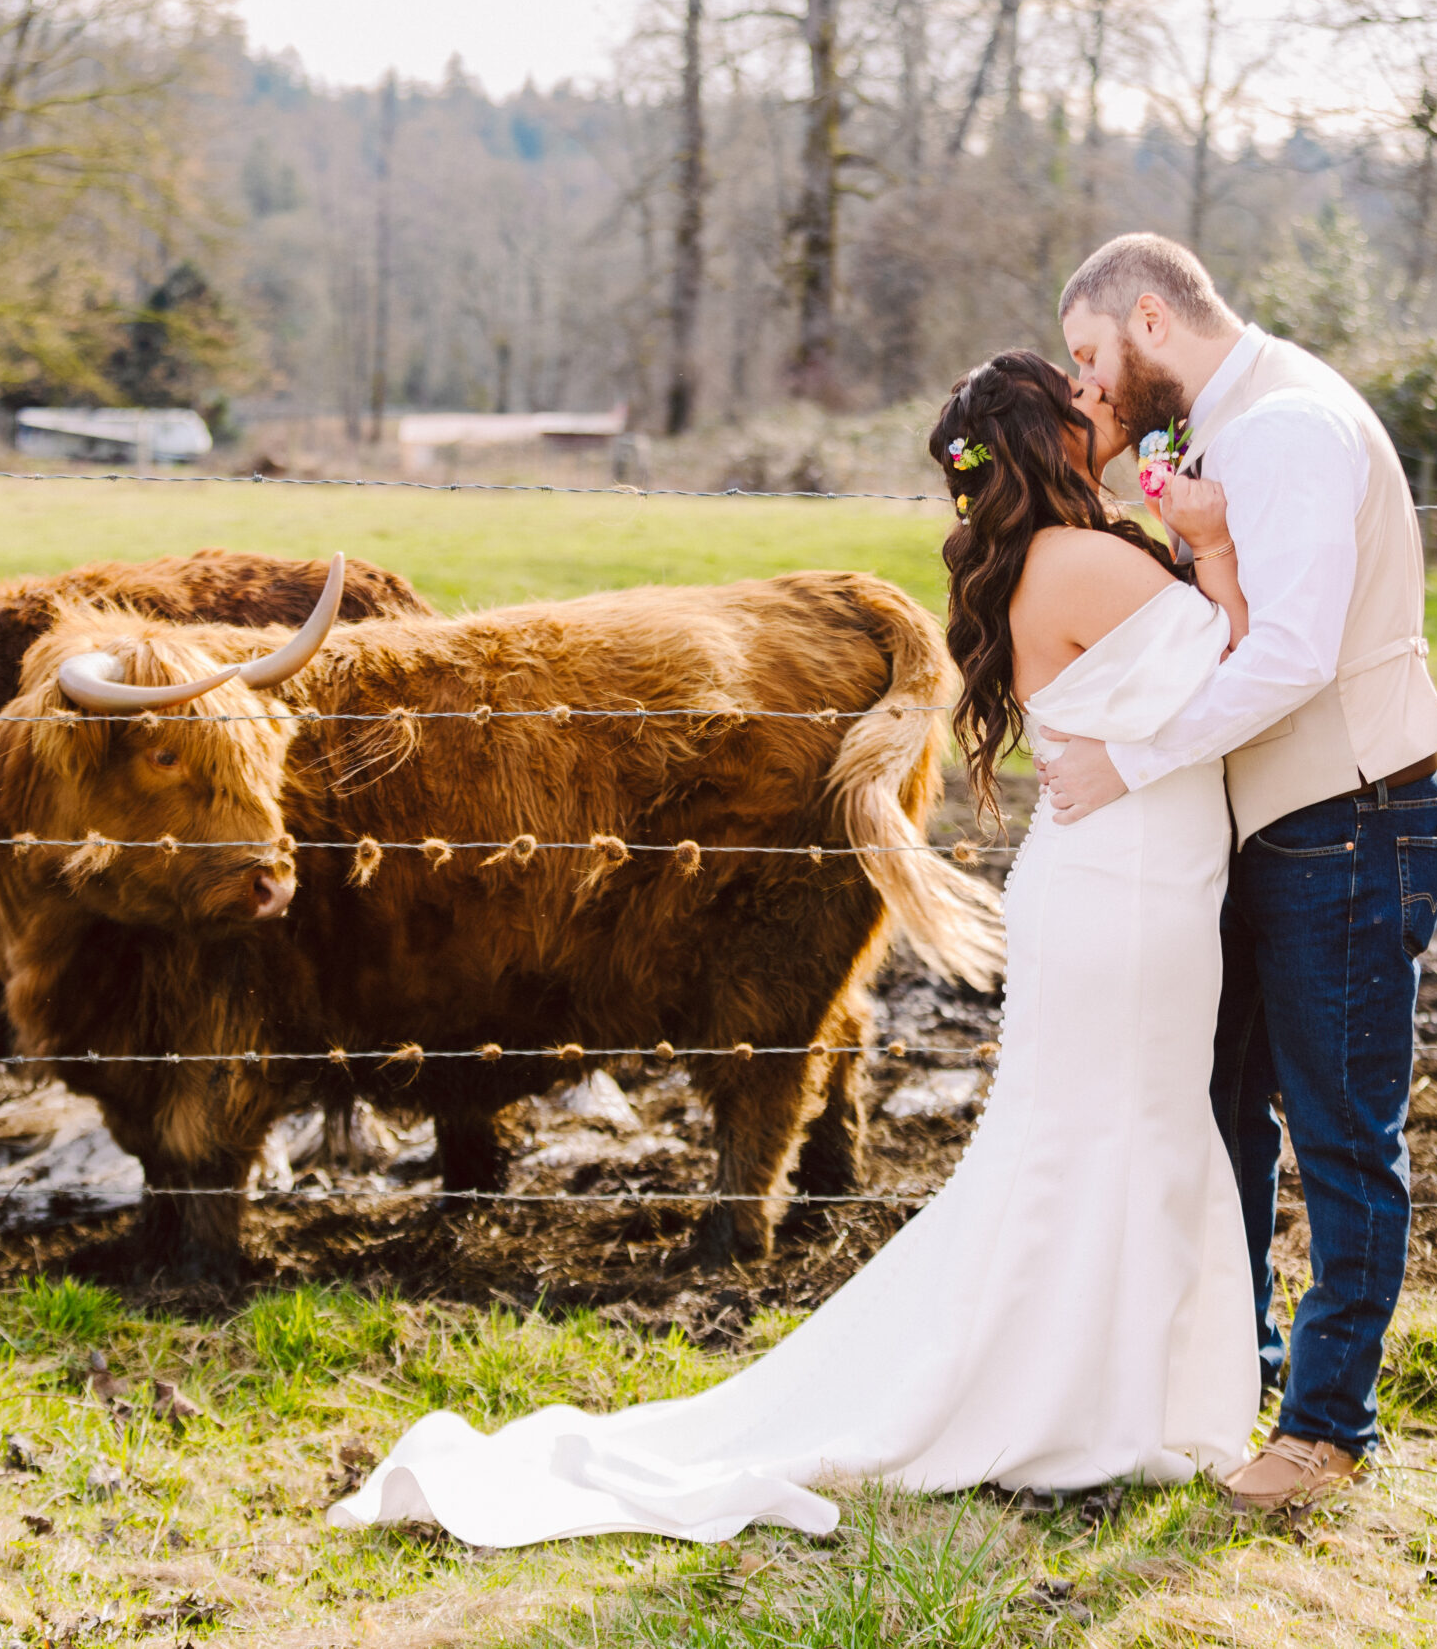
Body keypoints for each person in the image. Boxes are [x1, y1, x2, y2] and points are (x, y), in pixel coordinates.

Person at [329, 349, 1264, 1547]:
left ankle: (1095, 1397)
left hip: (1120, 879)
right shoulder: (1084, 561)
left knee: (1101, 1137)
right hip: (1129, 891)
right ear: (1052, 444)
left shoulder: (1055, 558)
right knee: (1113, 1133)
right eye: (1085, 402)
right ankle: (1065, 1408)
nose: (1109, 407)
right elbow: (1246, 668)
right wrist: (1218, 546)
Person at [1040, 233, 1437, 1513]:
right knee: (1225, 1116)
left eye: (1089, 358)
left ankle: (1327, 1434)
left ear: (1150, 320)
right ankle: (1232, 1383)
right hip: (1275, 834)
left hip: (1348, 821)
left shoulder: (1283, 429)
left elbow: (1287, 659)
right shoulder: (1225, 435)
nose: (1089, 390)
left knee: (1341, 1137)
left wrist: (1128, 759)